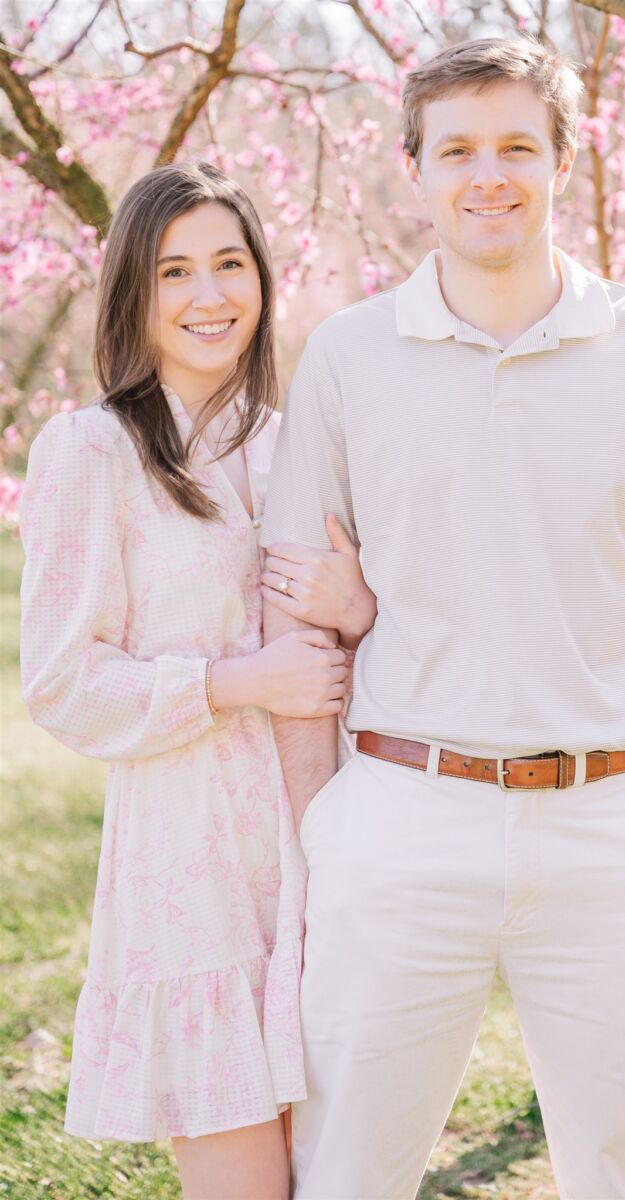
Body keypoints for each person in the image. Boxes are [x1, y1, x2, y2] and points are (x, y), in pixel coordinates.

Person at [260, 36, 625, 1200]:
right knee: (347, 1174)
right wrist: (322, 824)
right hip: (398, 819)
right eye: (456, 151)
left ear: (562, 157)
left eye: (514, 147)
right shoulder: (346, 359)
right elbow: (295, 610)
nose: (486, 175)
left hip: (611, 827)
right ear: (414, 170)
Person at [19, 162, 374, 1200]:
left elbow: (393, 654)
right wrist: (237, 682)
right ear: (133, 292)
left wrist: (359, 612)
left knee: (353, 1174)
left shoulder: (304, 446)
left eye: (229, 264)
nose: (209, 296)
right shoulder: (92, 451)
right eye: (175, 272)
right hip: (194, 871)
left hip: (335, 847)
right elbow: (64, 682)